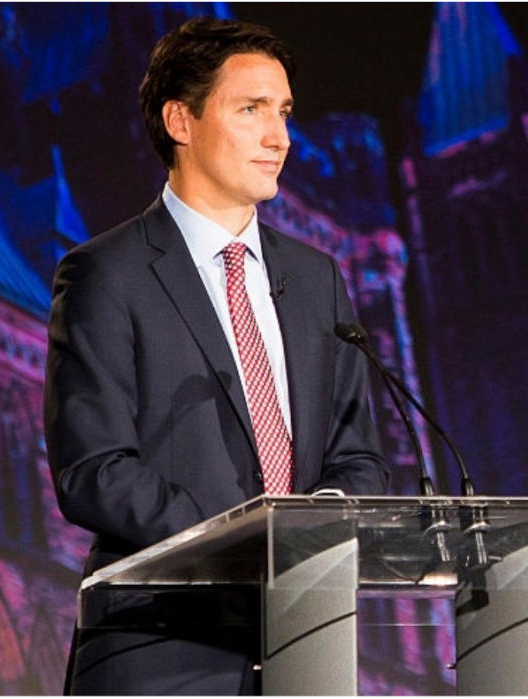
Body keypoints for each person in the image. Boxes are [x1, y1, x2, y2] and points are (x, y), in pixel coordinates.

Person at [44, 17, 389, 694]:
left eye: (284, 112)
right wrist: (247, 541)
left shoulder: (319, 280)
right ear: (181, 120)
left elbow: (358, 457)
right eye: (252, 110)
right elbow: (95, 469)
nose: (280, 137)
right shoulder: (107, 274)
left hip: (307, 650)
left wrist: (316, 527)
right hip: (164, 653)